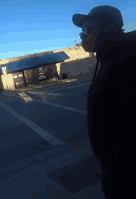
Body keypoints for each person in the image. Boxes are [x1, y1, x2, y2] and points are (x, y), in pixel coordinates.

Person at [72, 5, 136, 199]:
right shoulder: (107, 57)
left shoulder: (124, 58)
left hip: (126, 175)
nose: (82, 35)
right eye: (81, 30)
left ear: (107, 28)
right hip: (114, 169)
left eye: (87, 29)